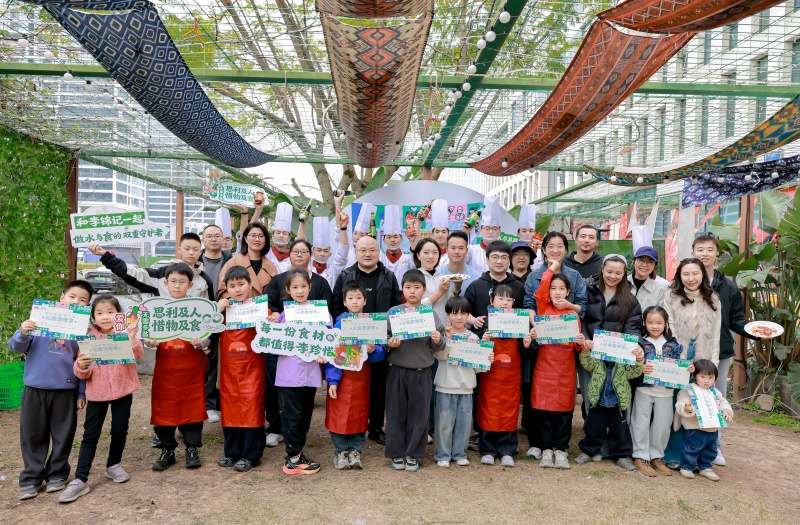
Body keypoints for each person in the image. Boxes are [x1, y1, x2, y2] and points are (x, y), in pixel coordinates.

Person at [10, 280, 92, 501]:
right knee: (32, 434)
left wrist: (81, 393)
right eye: (72, 297)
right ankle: (31, 478)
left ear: (87, 306)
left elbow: (82, 363)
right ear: (61, 298)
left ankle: (57, 474)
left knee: (63, 435)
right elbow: (16, 347)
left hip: (65, 390)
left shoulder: (80, 332)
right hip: (34, 389)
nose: (76, 302)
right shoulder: (39, 321)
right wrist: (23, 332)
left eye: (83, 300)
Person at [59, 295, 142, 502]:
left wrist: (132, 336)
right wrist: (83, 365)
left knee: (119, 429)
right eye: (100, 313)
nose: (105, 317)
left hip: (123, 391)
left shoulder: (125, 334)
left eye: (111, 312)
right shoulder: (87, 339)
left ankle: (113, 465)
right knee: (90, 435)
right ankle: (80, 479)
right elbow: (82, 372)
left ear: (118, 313)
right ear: (93, 316)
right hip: (97, 394)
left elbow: (136, 354)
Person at [692, 234, 757, 466]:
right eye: (700, 249)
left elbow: (735, 319)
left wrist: (754, 331)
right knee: (685, 397)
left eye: (709, 250)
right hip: (689, 350)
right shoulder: (686, 279)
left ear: (716, 253)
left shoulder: (727, 286)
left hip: (719, 352)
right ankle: (685, 446)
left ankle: (713, 447)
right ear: (693, 252)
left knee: (715, 399)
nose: (705, 254)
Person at [332, 236, 401, 446]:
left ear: (379, 251)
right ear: (355, 251)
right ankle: (354, 424)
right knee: (352, 385)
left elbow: (395, 307)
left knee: (378, 385)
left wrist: (388, 338)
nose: (368, 254)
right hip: (351, 343)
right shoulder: (346, 275)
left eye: (372, 249)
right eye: (363, 250)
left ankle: (376, 427)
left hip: (378, 343)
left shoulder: (388, 276)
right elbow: (336, 306)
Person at [147, 263, 210, 471]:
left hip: (191, 369)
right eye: (173, 281)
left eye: (182, 282)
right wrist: (149, 342)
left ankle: (192, 448)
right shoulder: (157, 309)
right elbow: (146, 336)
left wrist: (201, 342)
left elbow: (208, 337)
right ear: (165, 283)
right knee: (163, 407)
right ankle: (168, 449)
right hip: (165, 369)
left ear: (190, 285)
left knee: (192, 406)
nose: (177, 286)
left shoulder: (198, 309)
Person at [463, 240, 524, 452]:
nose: (499, 261)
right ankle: (481, 433)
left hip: (510, 349)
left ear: (510, 260)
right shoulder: (476, 285)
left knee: (507, 394)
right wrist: (472, 320)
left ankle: (505, 438)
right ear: (487, 259)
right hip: (483, 345)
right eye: (494, 257)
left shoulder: (518, 286)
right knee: (482, 393)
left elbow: (523, 314)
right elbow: (464, 310)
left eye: (504, 257)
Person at [662, 257, 722, 468]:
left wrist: (711, 367)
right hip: (678, 356)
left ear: (702, 275)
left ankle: (694, 457)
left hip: (703, 358)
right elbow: (668, 328)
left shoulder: (713, 298)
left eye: (695, 273)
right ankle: (672, 455)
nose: (691, 278)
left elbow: (715, 334)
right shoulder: (670, 296)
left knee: (699, 406)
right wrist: (679, 360)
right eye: (685, 274)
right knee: (677, 405)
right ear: (679, 276)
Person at [385, 270, 445, 471]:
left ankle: (413, 454)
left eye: (417, 287)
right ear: (403, 289)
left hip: (421, 372)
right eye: (408, 287)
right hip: (398, 371)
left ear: (424, 290)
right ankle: (396, 454)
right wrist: (389, 344)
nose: (412, 291)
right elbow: (383, 340)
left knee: (419, 415)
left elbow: (440, 343)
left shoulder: (430, 314)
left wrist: (437, 340)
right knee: (396, 414)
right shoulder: (394, 312)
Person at [268, 268, 327, 475]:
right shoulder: (285, 315)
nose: (300, 291)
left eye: (304, 286)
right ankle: (292, 458)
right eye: (295, 287)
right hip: (289, 375)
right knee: (291, 416)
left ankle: (298, 453)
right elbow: (273, 340)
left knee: (305, 416)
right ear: (288, 290)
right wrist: (272, 325)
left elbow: (328, 337)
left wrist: (324, 352)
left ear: (310, 287)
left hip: (311, 374)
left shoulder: (321, 312)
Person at [529, 262, 586, 469]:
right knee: (544, 410)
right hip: (545, 366)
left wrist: (580, 343)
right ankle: (546, 449)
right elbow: (541, 288)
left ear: (569, 292)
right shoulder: (544, 309)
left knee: (564, 411)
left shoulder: (573, 315)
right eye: (554, 288)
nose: (558, 292)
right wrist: (552, 266)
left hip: (566, 368)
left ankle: (561, 449)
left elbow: (576, 347)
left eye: (562, 288)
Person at [326, 282, 386, 470]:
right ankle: (340, 451)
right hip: (342, 377)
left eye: (358, 298)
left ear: (365, 301)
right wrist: (333, 380)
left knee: (360, 414)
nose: (354, 301)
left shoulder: (371, 324)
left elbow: (380, 355)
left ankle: (355, 450)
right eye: (350, 298)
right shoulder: (339, 324)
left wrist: (373, 348)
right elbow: (333, 355)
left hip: (361, 377)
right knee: (339, 415)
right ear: (344, 302)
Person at [576, 254, 641, 418]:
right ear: (602, 269)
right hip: (590, 355)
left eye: (618, 273)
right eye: (609, 271)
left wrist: (635, 346)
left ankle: (616, 440)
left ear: (624, 274)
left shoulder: (630, 300)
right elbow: (580, 318)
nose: (613, 276)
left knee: (616, 399)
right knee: (591, 397)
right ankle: (593, 439)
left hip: (617, 359)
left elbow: (633, 327)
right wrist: (584, 337)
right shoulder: (587, 292)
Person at [215, 266, 267, 473]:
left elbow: (272, 326)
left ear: (250, 285)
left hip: (252, 368)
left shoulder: (259, 307)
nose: (237, 290)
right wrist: (217, 308)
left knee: (252, 408)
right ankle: (232, 451)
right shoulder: (224, 310)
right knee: (230, 408)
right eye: (232, 286)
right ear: (226, 289)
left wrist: (271, 318)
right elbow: (205, 327)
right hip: (229, 371)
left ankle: (251, 455)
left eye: (241, 285)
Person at [478, 285, 533, 468]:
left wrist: (526, 345)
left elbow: (526, 355)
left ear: (513, 304)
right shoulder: (485, 323)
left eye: (509, 300)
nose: (505, 303)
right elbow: (473, 352)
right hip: (489, 377)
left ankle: (507, 450)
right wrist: (483, 342)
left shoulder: (519, 323)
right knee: (488, 409)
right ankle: (487, 450)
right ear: (492, 301)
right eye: (500, 299)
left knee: (510, 410)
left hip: (511, 376)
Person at [433, 296, 491, 467]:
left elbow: (478, 368)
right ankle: (442, 454)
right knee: (444, 423)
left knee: (464, 424)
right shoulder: (443, 334)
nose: (459, 317)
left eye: (463, 314)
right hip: (446, 385)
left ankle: (459, 453)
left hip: (466, 387)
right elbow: (440, 356)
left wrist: (486, 356)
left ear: (468, 316)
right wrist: (448, 340)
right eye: (454, 313)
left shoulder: (473, 337)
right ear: (448, 315)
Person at [630, 306, 688, 477]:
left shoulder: (674, 344)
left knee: (662, 425)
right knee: (640, 421)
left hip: (666, 391)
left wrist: (687, 368)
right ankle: (640, 455)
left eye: (659, 323)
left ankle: (657, 456)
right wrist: (641, 367)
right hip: (644, 388)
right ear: (644, 323)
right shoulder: (639, 343)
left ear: (666, 324)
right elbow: (631, 365)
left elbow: (680, 365)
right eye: (650, 322)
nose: (654, 326)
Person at [88, 233, 214, 299]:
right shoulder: (160, 275)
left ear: (200, 252)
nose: (191, 252)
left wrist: (207, 344)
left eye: (195, 249)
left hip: (193, 342)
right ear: (179, 250)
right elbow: (132, 273)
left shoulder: (205, 280)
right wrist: (106, 256)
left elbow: (210, 311)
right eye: (187, 248)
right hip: (164, 338)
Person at [675, 359, 733, 481]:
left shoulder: (715, 392)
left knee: (710, 449)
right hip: (695, 427)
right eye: (702, 376)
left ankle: (705, 467)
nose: (707, 380)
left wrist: (727, 411)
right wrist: (687, 409)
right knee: (691, 448)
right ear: (695, 376)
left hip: (712, 428)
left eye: (710, 377)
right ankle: (686, 466)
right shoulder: (688, 390)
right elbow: (681, 404)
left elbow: (723, 403)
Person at [200, 224, 234, 424]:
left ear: (224, 240)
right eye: (209, 236)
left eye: (217, 236)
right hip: (199, 316)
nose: (213, 239)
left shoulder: (230, 261)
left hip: (224, 316)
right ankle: (206, 402)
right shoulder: (196, 261)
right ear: (203, 240)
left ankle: (212, 403)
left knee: (217, 359)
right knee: (200, 361)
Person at [264, 239, 334, 317]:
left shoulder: (321, 282)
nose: (299, 255)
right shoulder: (276, 280)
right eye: (295, 252)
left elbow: (328, 307)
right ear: (289, 254)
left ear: (311, 255)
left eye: (304, 252)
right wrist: (279, 318)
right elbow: (268, 303)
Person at [218, 222, 278, 299]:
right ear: (245, 239)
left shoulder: (270, 266)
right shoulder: (233, 263)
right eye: (253, 235)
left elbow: (275, 293)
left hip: (264, 309)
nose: (257, 239)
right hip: (239, 308)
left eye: (261, 236)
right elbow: (223, 291)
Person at [331, 200, 376, 277]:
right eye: (355, 233)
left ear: (368, 235)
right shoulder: (347, 249)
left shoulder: (373, 253)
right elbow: (339, 229)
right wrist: (338, 203)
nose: (356, 237)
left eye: (361, 234)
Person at [461, 196, 502, 273]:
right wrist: (465, 232)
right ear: (480, 230)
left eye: (494, 228)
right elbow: (458, 260)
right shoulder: (471, 250)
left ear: (500, 231)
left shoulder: (505, 251)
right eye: (487, 228)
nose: (490, 232)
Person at [297, 215, 336, 288]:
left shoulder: (333, 269)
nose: (322, 254)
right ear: (312, 253)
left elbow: (343, 253)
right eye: (319, 250)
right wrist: (303, 223)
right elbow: (300, 246)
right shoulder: (306, 267)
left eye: (325, 250)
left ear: (330, 254)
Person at [379, 204, 414, 284]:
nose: (392, 240)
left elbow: (416, 267)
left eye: (395, 237)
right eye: (389, 237)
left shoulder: (408, 258)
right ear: (384, 240)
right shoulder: (380, 259)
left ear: (401, 239)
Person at [628, 245, 667, 311]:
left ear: (655, 266)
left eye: (650, 262)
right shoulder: (622, 283)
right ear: (633, 262)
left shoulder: (660, 290)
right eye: (641, 260)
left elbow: (663, 316)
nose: (644, 265)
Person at [266, 202, 294, 273]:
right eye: (278, 233)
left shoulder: (293, 255)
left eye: (284, 233)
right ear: (272, 235)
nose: (281, 235)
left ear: (289, 237)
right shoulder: (266, 252)